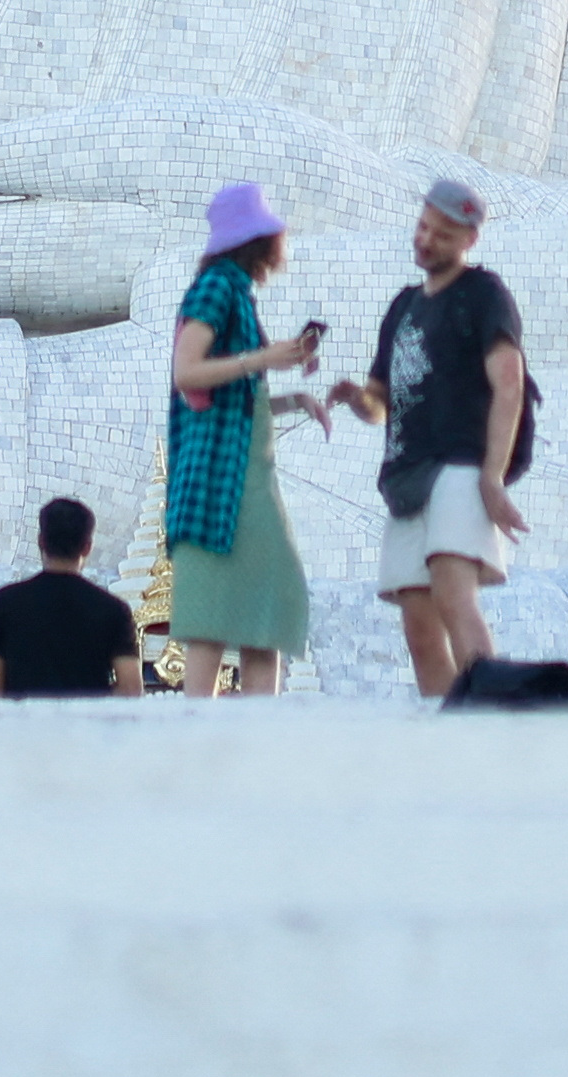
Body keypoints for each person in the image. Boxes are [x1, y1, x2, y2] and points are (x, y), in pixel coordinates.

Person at [329, 178, 528, 701]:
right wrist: (358, 399)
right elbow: (381, 403)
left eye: (441, 234)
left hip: (461, 463)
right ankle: (444, 728)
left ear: (467, 240)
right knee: (417, 619)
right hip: (407, 473)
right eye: (422, 227)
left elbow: (509, 383)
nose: (425, 240)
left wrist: (492, 475)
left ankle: (492, 710)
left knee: (453, 592)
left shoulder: (483, 294)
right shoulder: (403, 306)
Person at [159, 182, 327, 699]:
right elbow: (188, 372)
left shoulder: (234, 291)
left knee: (265, 609)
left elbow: (233, 397)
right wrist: (264, 358)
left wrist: (294, 397)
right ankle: (205, 732)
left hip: (242, 471)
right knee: (226, 607)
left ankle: (254, 734)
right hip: (221, 479)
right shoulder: (216, 288)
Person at [0, 496, 149, 700]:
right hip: (86, 728)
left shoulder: (4, 603)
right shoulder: (113, 610)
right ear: (87, 546)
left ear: (41, 541)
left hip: (23, 728)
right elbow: (130, 689)